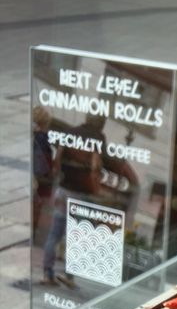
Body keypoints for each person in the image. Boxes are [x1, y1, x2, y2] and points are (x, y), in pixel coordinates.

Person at [41, 114, 138, 286]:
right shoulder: (97, 138)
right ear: (101, 124)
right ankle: (68, 275)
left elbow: (58, 160)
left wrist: (59, 178)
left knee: (55, 233)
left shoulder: (70, 132)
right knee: (78, 235)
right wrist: (98, 186)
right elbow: (97, 164)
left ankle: (47, 273)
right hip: (81, 194)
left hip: (63, 190)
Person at [31, 106, 54, 236]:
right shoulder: (42, 138)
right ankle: (33, 230)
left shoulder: (33, 134)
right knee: (37, 206)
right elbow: (44, 162)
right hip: (41, 180)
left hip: (36, 178)